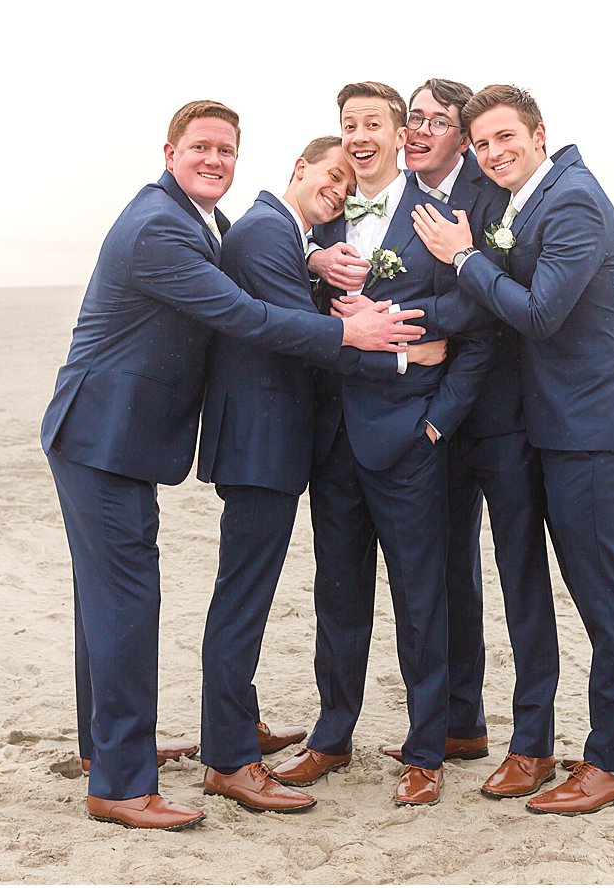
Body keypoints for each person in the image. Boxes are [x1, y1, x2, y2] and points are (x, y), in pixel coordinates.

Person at [41, 100, 427, 831]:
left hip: (116, 437)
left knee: (108, 601)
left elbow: (245, 251)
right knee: (127, 603)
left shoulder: (201, 221)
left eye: (226, 150)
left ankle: (107, 748)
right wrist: (349, 330)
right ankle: (122, 782)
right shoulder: (160, 225)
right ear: (169, 151)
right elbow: (242, 313)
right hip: (101, 433)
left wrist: (311, 256)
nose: (214, 160)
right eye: (202, 148)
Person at [410, 85, 614, 816]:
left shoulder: (572, 201)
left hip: (592, 425)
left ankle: (613, 762)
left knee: (602, 592)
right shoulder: (525, 199)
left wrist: (464, 256)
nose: (495, 153)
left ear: (539, 134)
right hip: (563, 423)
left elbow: (538, 311)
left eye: (506, 138)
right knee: (602, 584)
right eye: (485, 142)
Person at [195, 136, 448, 814]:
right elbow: (298, 328)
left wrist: (423, 378)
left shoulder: (339, 229)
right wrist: (387, 346)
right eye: (327, 173)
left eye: (345, 177)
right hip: (286, 447)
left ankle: (428, 748)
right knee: (315, 597)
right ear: (297, 170)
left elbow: (458, 321)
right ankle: (296, 738)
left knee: (419, 596)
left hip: (388, 444)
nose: (337, 186)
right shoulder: (269, 232)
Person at [271, 83, 490, 807]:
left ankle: (427, 748)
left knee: (421, 597)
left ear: (401, 134)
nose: (359, 136)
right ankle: (332, 735)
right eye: (348, 125)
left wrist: (430, 403)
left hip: (408, 439)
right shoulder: (324, 225)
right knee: (336, 595)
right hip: (332, 441)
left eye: (373, 124)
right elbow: (298, 314)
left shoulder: (435, 217)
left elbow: (470, 311)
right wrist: (313, 267)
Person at [341, 78, 561, 800]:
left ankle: (531, 742)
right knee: (450, 575)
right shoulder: (400, 195)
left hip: (493, 418)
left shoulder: (490, 193)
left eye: (437, 121)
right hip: (430, 428)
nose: (417, 131)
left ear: (462, 136)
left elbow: (490, 309)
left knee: (519, 576)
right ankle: (461, 721)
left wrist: (423, 335)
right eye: (417, 118)